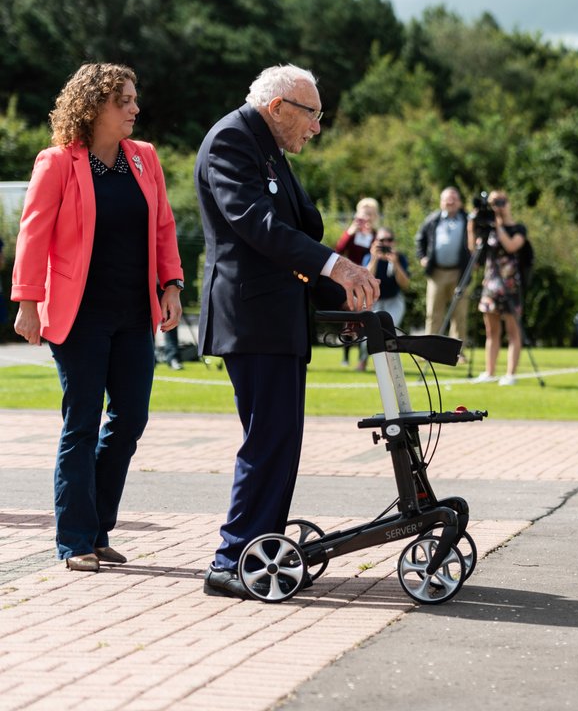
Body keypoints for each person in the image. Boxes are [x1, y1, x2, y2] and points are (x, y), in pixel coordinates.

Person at [194, 64, 379, 599]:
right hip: (252, 321)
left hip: (279, 321)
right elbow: (257, 224)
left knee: (280, 441)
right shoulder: (233, 138)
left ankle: (261, 549)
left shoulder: (268, 147)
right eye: (312, 114)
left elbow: (295, 230)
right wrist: (336, 268)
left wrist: (338, 294)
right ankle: (231, 559)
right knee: (267, 440)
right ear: (277, 108)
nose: (317, 127)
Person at [10, 63, 184, 572]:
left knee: (130, 418)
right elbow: (33, 233)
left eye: (134, 99)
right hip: (78, 314)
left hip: (135, 311)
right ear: (94, 107)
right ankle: (75, 539)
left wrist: (171, 284)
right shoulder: (58, 161)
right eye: (124, 100)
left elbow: (164, 227)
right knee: (81, 423)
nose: (134, 108)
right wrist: (26, 301)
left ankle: (99, 526)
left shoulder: (145, 159)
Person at [468, 190, 527, 386]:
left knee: (512, 330)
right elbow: (475, 254)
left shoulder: (518, 228)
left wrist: (497, 225)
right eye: (494, 203)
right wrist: (472, 227)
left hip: (511, 285)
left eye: (501, 202)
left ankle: (510, 374)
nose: (498, 206)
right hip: (491, 284)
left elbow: (511, 246)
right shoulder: (488, 231)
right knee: (491, 331)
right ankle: (490, 371)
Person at [415, 187, 471, 340]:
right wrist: (422, 257)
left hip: (460, 273)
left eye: (453, 199)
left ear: (460, 202)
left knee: (459, 314)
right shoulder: (432, 220)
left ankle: (458, 353)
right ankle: (429, 351)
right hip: (436, 273)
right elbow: (420, 239)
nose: (450, 202)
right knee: (433, 313)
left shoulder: (468, 220)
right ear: (441, 202)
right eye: (447, 199)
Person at [335, 198, 379, 365]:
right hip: (350, 280)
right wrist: (352, 230)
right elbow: (338, 250)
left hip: (367, 278)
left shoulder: (375, 235)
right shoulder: (352, 234)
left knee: (364, 317)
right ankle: (346, 357)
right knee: (349, 317)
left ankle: (364, 357)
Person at [366, 225, 410, 335]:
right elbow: (366, 281)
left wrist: (396, 264)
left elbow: (405, 285)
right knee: (368, 335)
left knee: (390, 331)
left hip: (394, 300)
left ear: (393, 242)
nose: (385, 243)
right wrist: (374, 259)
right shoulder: (368, 258)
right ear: (375, 242)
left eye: (389, 240)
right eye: (382, 240)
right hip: (373, 301)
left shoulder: (400, 258)